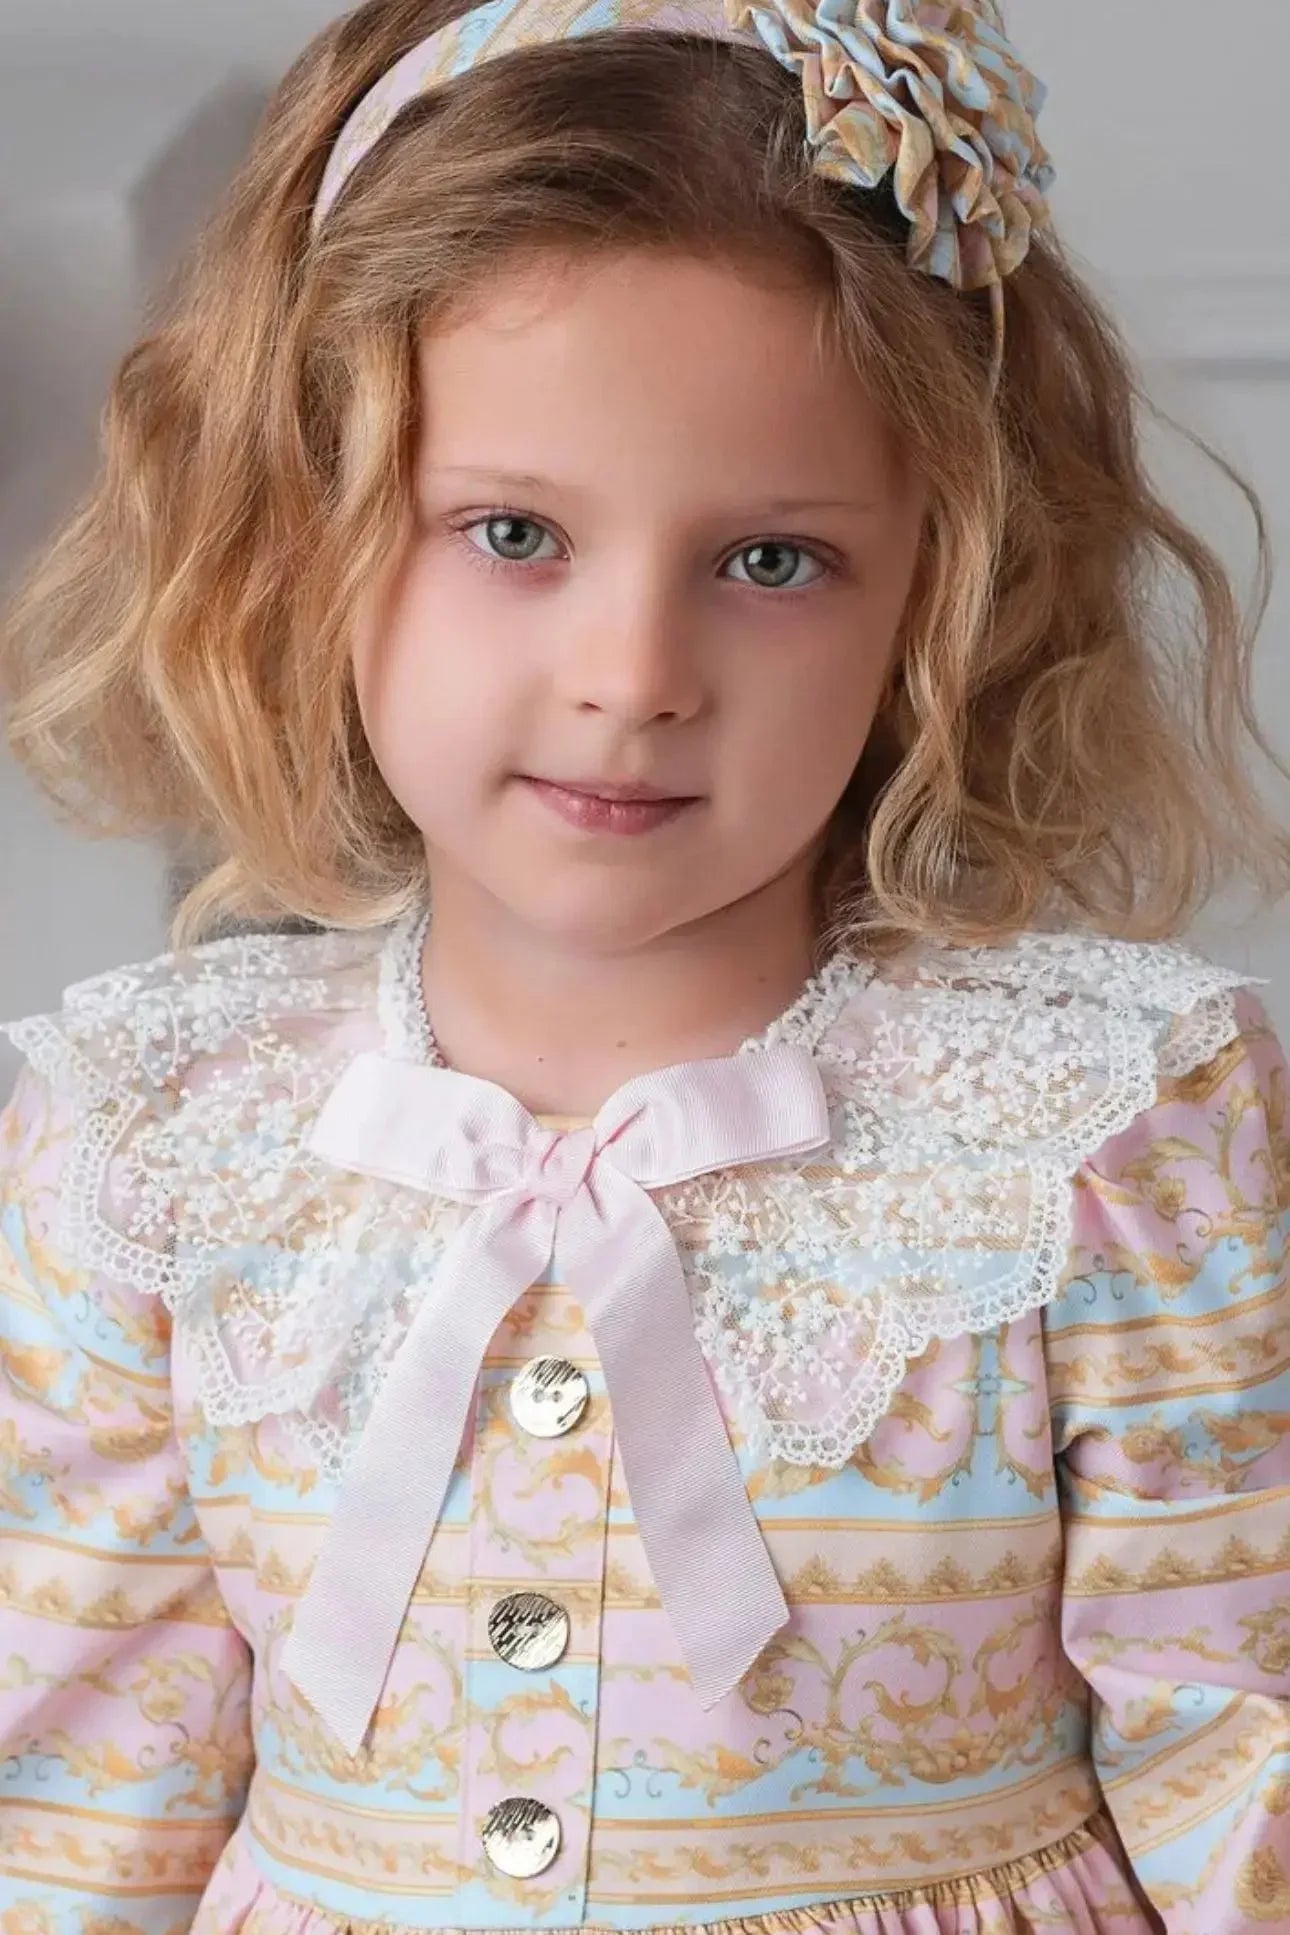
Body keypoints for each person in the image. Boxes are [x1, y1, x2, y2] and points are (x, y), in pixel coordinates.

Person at [0, 0, 1287, 1927]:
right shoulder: (145, 1134)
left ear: (941, 592)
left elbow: (1241, 1756)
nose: (632, 677)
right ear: (303, 533)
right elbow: (84, 1805)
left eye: (769, 561)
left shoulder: (1108, 1121)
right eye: (511, 531)